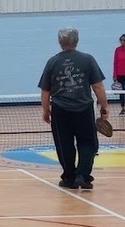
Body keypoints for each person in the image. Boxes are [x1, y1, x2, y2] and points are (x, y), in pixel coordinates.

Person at [38, 27, 110, 190]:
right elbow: (98, 86)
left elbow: (45, 91)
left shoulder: (52, 62)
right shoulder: (88, 59)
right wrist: (104, 107)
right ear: (76, 41)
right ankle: (83, 176)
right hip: (84, 109)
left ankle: (69, 178)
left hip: (60, 111)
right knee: (87, 142)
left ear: (60, 42)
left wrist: (46, 111)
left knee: (64, 144)